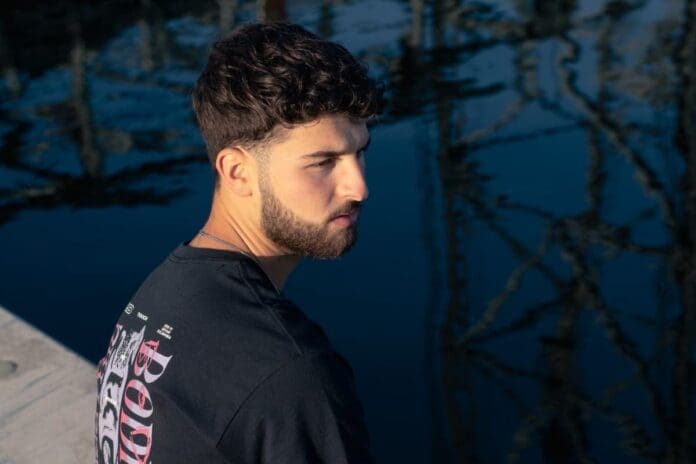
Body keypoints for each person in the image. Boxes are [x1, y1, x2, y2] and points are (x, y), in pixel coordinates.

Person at [94, 21, 384, 464]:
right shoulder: (289, 371)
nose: (358, 187)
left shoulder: (159, 298)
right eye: (324, 162)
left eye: (360, 152)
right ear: (237, 171)